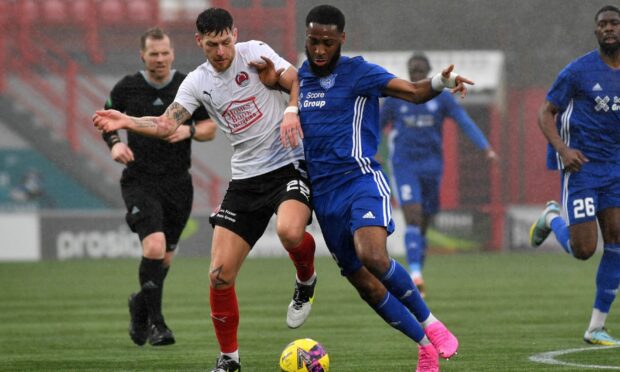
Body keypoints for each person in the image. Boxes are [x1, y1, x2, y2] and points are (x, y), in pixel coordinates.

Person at [94, 8, 317, 372]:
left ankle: (306, 279)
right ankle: (229, 359)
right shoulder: (196, 82)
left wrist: (292, 110)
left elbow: (297, 79)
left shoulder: (255, 52)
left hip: (288, 163)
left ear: (235, 34)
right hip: (246, 178)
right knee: (218, 276)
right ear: (199, 42)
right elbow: (167, 125)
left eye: (226, 42)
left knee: (290, 231)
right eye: (212, 45)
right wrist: (127, 121)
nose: (221, 51)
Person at [279, 4, 470, 371]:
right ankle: (424, 346)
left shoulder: (358, 72)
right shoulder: (301, 77)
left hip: (361, 180)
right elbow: (274, 76)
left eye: (327, 43)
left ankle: (433, 325)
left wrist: (440, 83)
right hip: (325, 197)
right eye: (313, 41)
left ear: (342, 41)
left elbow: (412, 91)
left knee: (373, 254)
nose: (319, 50)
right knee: (366, 285)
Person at [101, 27, 216, 347]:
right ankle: (157, 324)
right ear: (143, 56)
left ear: (173, 54)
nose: (160, 59)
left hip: (179, 183)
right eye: (154, 54)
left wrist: (189, 130)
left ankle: (139, 306)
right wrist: (114, 145)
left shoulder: (186, 86)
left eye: (165, 53)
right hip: (140, 180)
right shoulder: (127, 87)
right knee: (153, 247)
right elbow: (106, 120)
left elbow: (210, 129)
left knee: (162, 261)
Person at [529, 5, 620, 346]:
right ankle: (552, 217)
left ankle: (596, 326)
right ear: (596, 31)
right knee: (584, 249)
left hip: (615, 168)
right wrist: (562, 151)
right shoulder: (578, 71)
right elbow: (544, 112)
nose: (608, 29)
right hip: (581, 168)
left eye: (614, 23)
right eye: (602, 24)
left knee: (617, 241)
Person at [380, 52, 498, 297]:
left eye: (421, 70)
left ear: (428, 72)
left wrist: (485, 147)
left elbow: (464, 121)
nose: (416, 75)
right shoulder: (396, 98)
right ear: (408, 72)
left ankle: (416, 274)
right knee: (412, 216)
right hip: (404, 166)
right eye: (413, 70)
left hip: (432, 167)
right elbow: (374, 125)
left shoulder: (441, 99)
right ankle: (415, 274)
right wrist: (370, 152)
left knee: (424, 223)